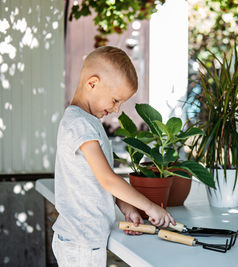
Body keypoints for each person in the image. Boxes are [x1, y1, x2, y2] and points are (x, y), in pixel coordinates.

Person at [52, 46, 175, 266]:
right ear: (92, 83)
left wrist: (128, 208)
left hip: (86, 240)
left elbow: (102, 181)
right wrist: (149, 206)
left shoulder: (88, 123)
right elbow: (108, 179)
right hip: (80, 243)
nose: (117, 110)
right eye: (115, 100)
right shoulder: (79, 124)